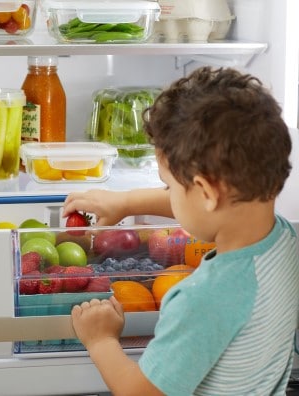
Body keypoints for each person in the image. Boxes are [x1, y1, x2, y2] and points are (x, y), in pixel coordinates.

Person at [63, 66, 299, 395]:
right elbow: (211, 205)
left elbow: (140, 392)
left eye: (168, 186)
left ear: (205, 192)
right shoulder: (286, 242)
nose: (169, 195)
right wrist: (127, 202)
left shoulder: (203, 300)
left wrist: (100, 339)